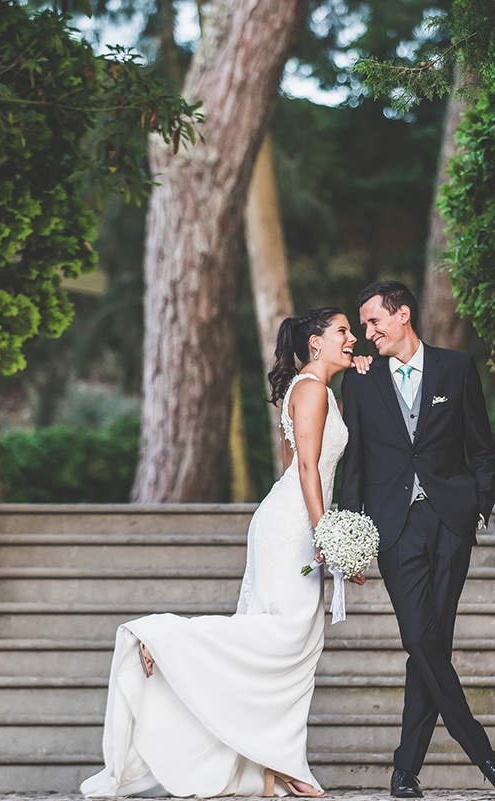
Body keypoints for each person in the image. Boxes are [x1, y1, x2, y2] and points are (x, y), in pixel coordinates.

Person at [81, 308, 360, 798]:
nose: (353, 339)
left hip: (291, 517)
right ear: (316, 342)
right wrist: (327, 537)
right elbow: (308, 470)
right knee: (281, 634)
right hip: (295, 524)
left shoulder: (316, 389)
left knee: (298, 644)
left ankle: (275, 767)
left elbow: (290, 464)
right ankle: (161, 636)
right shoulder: (312, 389)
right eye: (343, 331)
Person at [339, 281, 495, 797]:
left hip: (450, 520)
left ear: (402, 316)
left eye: (374, 321)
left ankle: (405, 772)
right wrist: (351, 531)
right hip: (393, 526)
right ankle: (487, 759)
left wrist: (478, 509)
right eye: (363, 324)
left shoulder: (456, 369)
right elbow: (354, 466)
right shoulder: (360, 382)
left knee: (431, 644)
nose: (367, 332)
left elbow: (481, 448)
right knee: (421, 639)